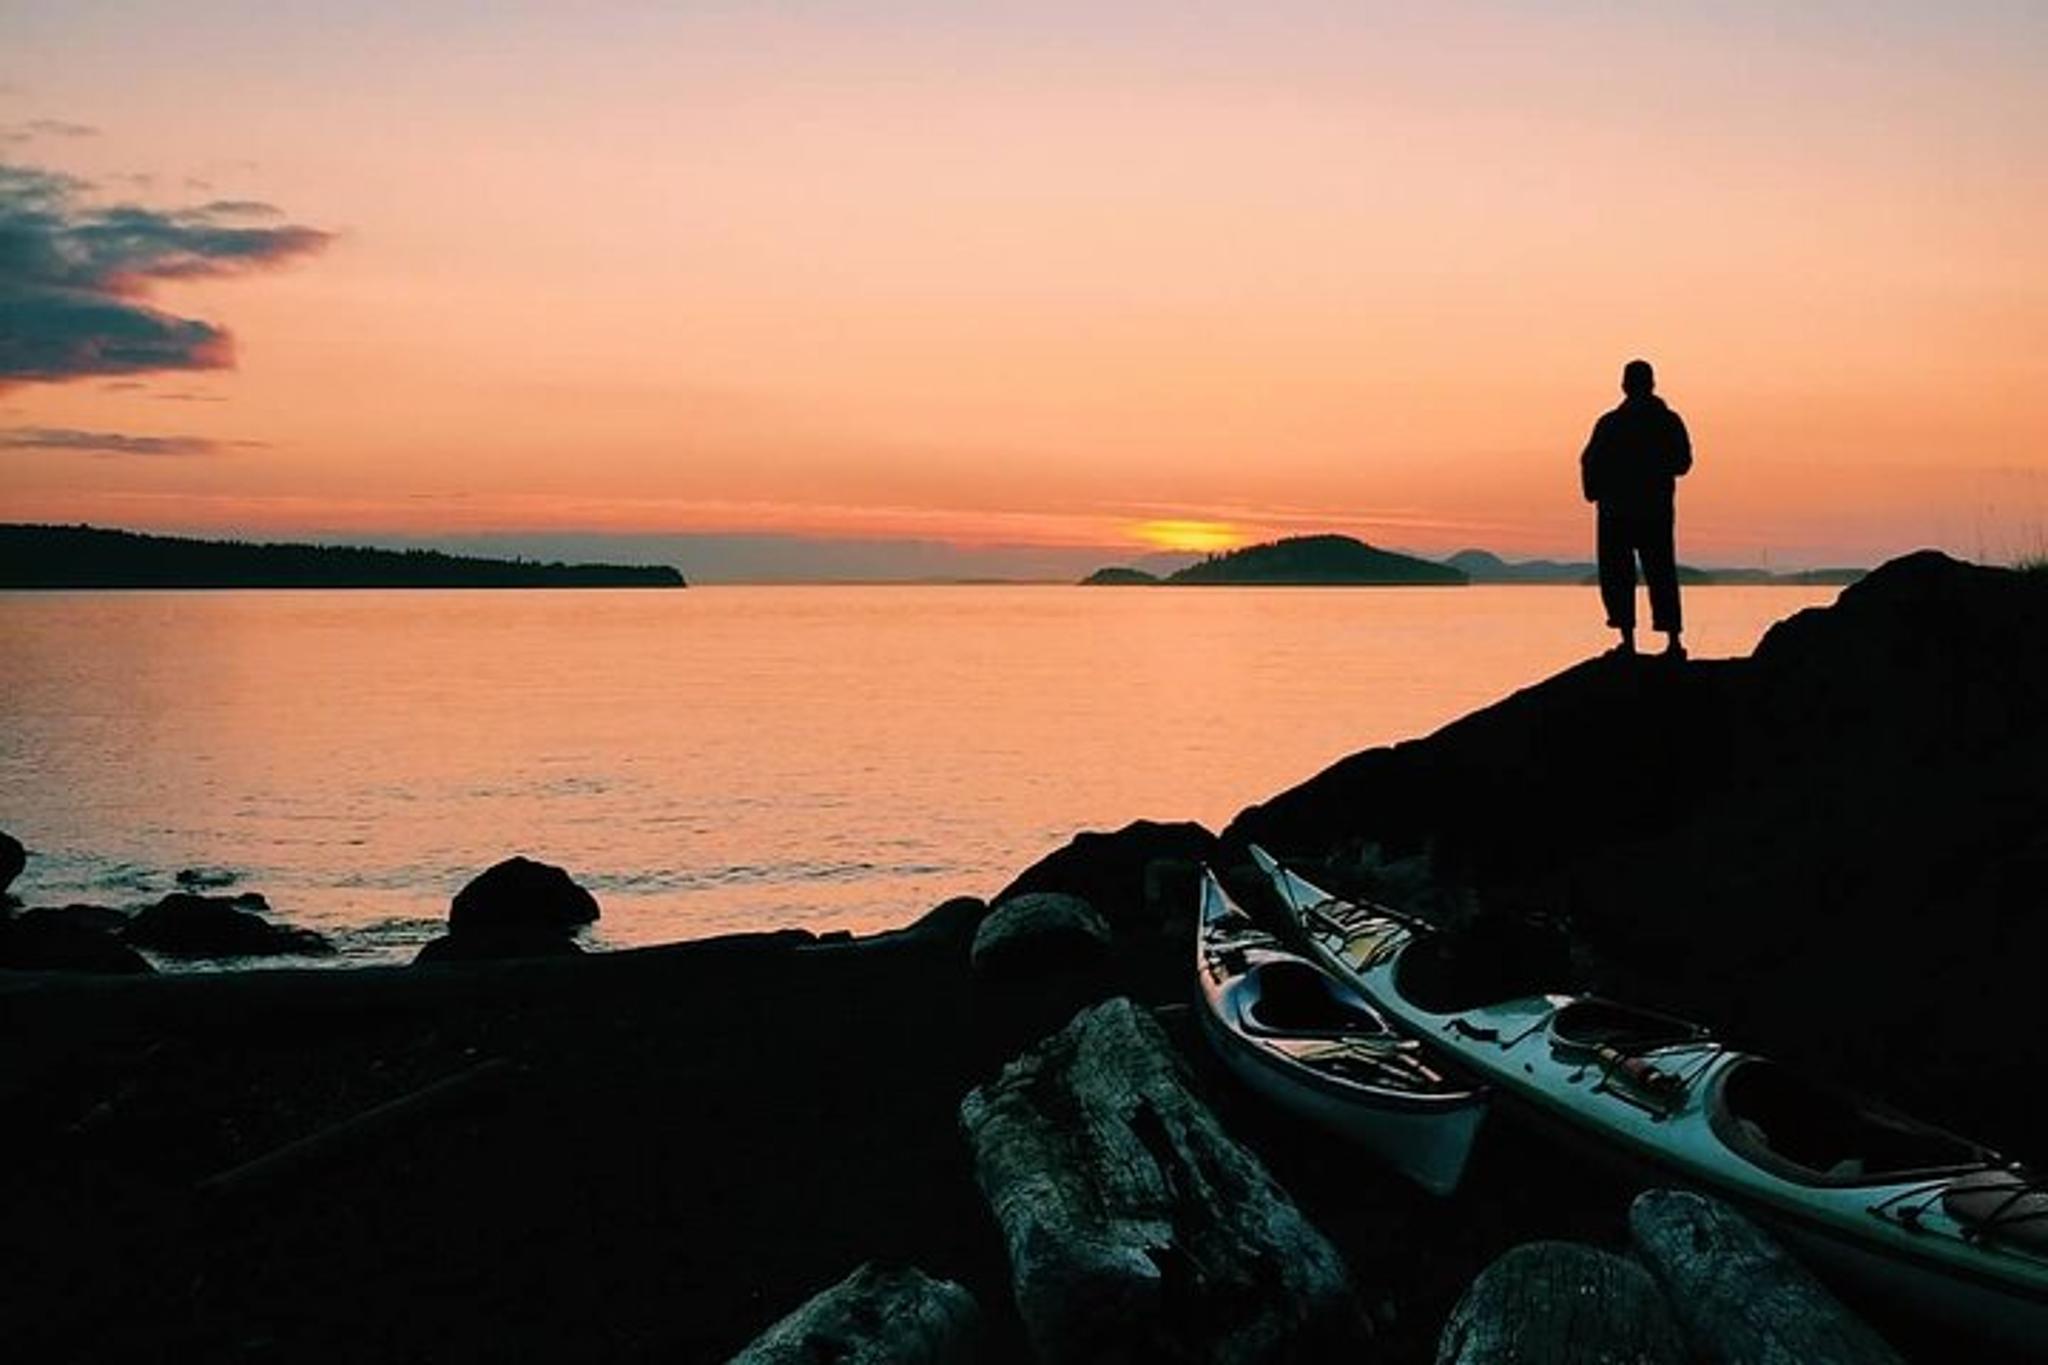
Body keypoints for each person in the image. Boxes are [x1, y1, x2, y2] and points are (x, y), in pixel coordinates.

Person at [1580, 359, 1693, 658]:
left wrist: (1594, 491)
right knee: (1661, 572)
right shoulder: (1668, 421)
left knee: (1619, 574)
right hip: (1653, 510)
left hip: (1617, 511)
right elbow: (1683, 463)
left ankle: (1629, 642)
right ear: (1652, 384)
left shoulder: (1610, 423)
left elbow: (1589, 461)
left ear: (1625, 386)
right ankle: (1672, 642)